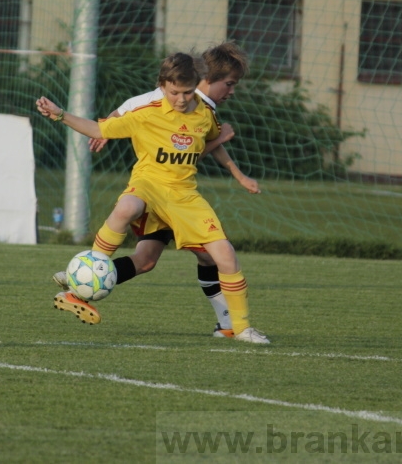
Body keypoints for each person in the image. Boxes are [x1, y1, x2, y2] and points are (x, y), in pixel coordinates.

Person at [36, 52, 269, 344]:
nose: (181, 99)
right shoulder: (148, 112)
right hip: (148, 185)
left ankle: (240, 328)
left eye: (186, 92)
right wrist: (60, 114)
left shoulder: (205, 115)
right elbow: (98, 128)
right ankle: (86, 271)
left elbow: (205, 141)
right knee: (128, 206)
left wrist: (236, 170)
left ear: (196, 84)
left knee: (222, 255)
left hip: (184, 197)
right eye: (174, 93)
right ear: (162, 86)